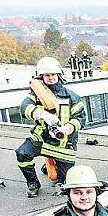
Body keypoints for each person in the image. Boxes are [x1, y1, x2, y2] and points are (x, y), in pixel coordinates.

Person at [16, 56, 85, 197]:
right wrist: (41, 114)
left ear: (59, 75)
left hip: (64, 143)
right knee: (22, 153)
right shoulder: (36, 95)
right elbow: (24, 108)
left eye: (53, 74)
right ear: (41, 76)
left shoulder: (72, 97)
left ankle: (52, 166)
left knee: (64, 182)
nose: (51, 78)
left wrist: (67, 129)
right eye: (47, 75)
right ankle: (33, 182)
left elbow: (80, 119)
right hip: (41, 138)